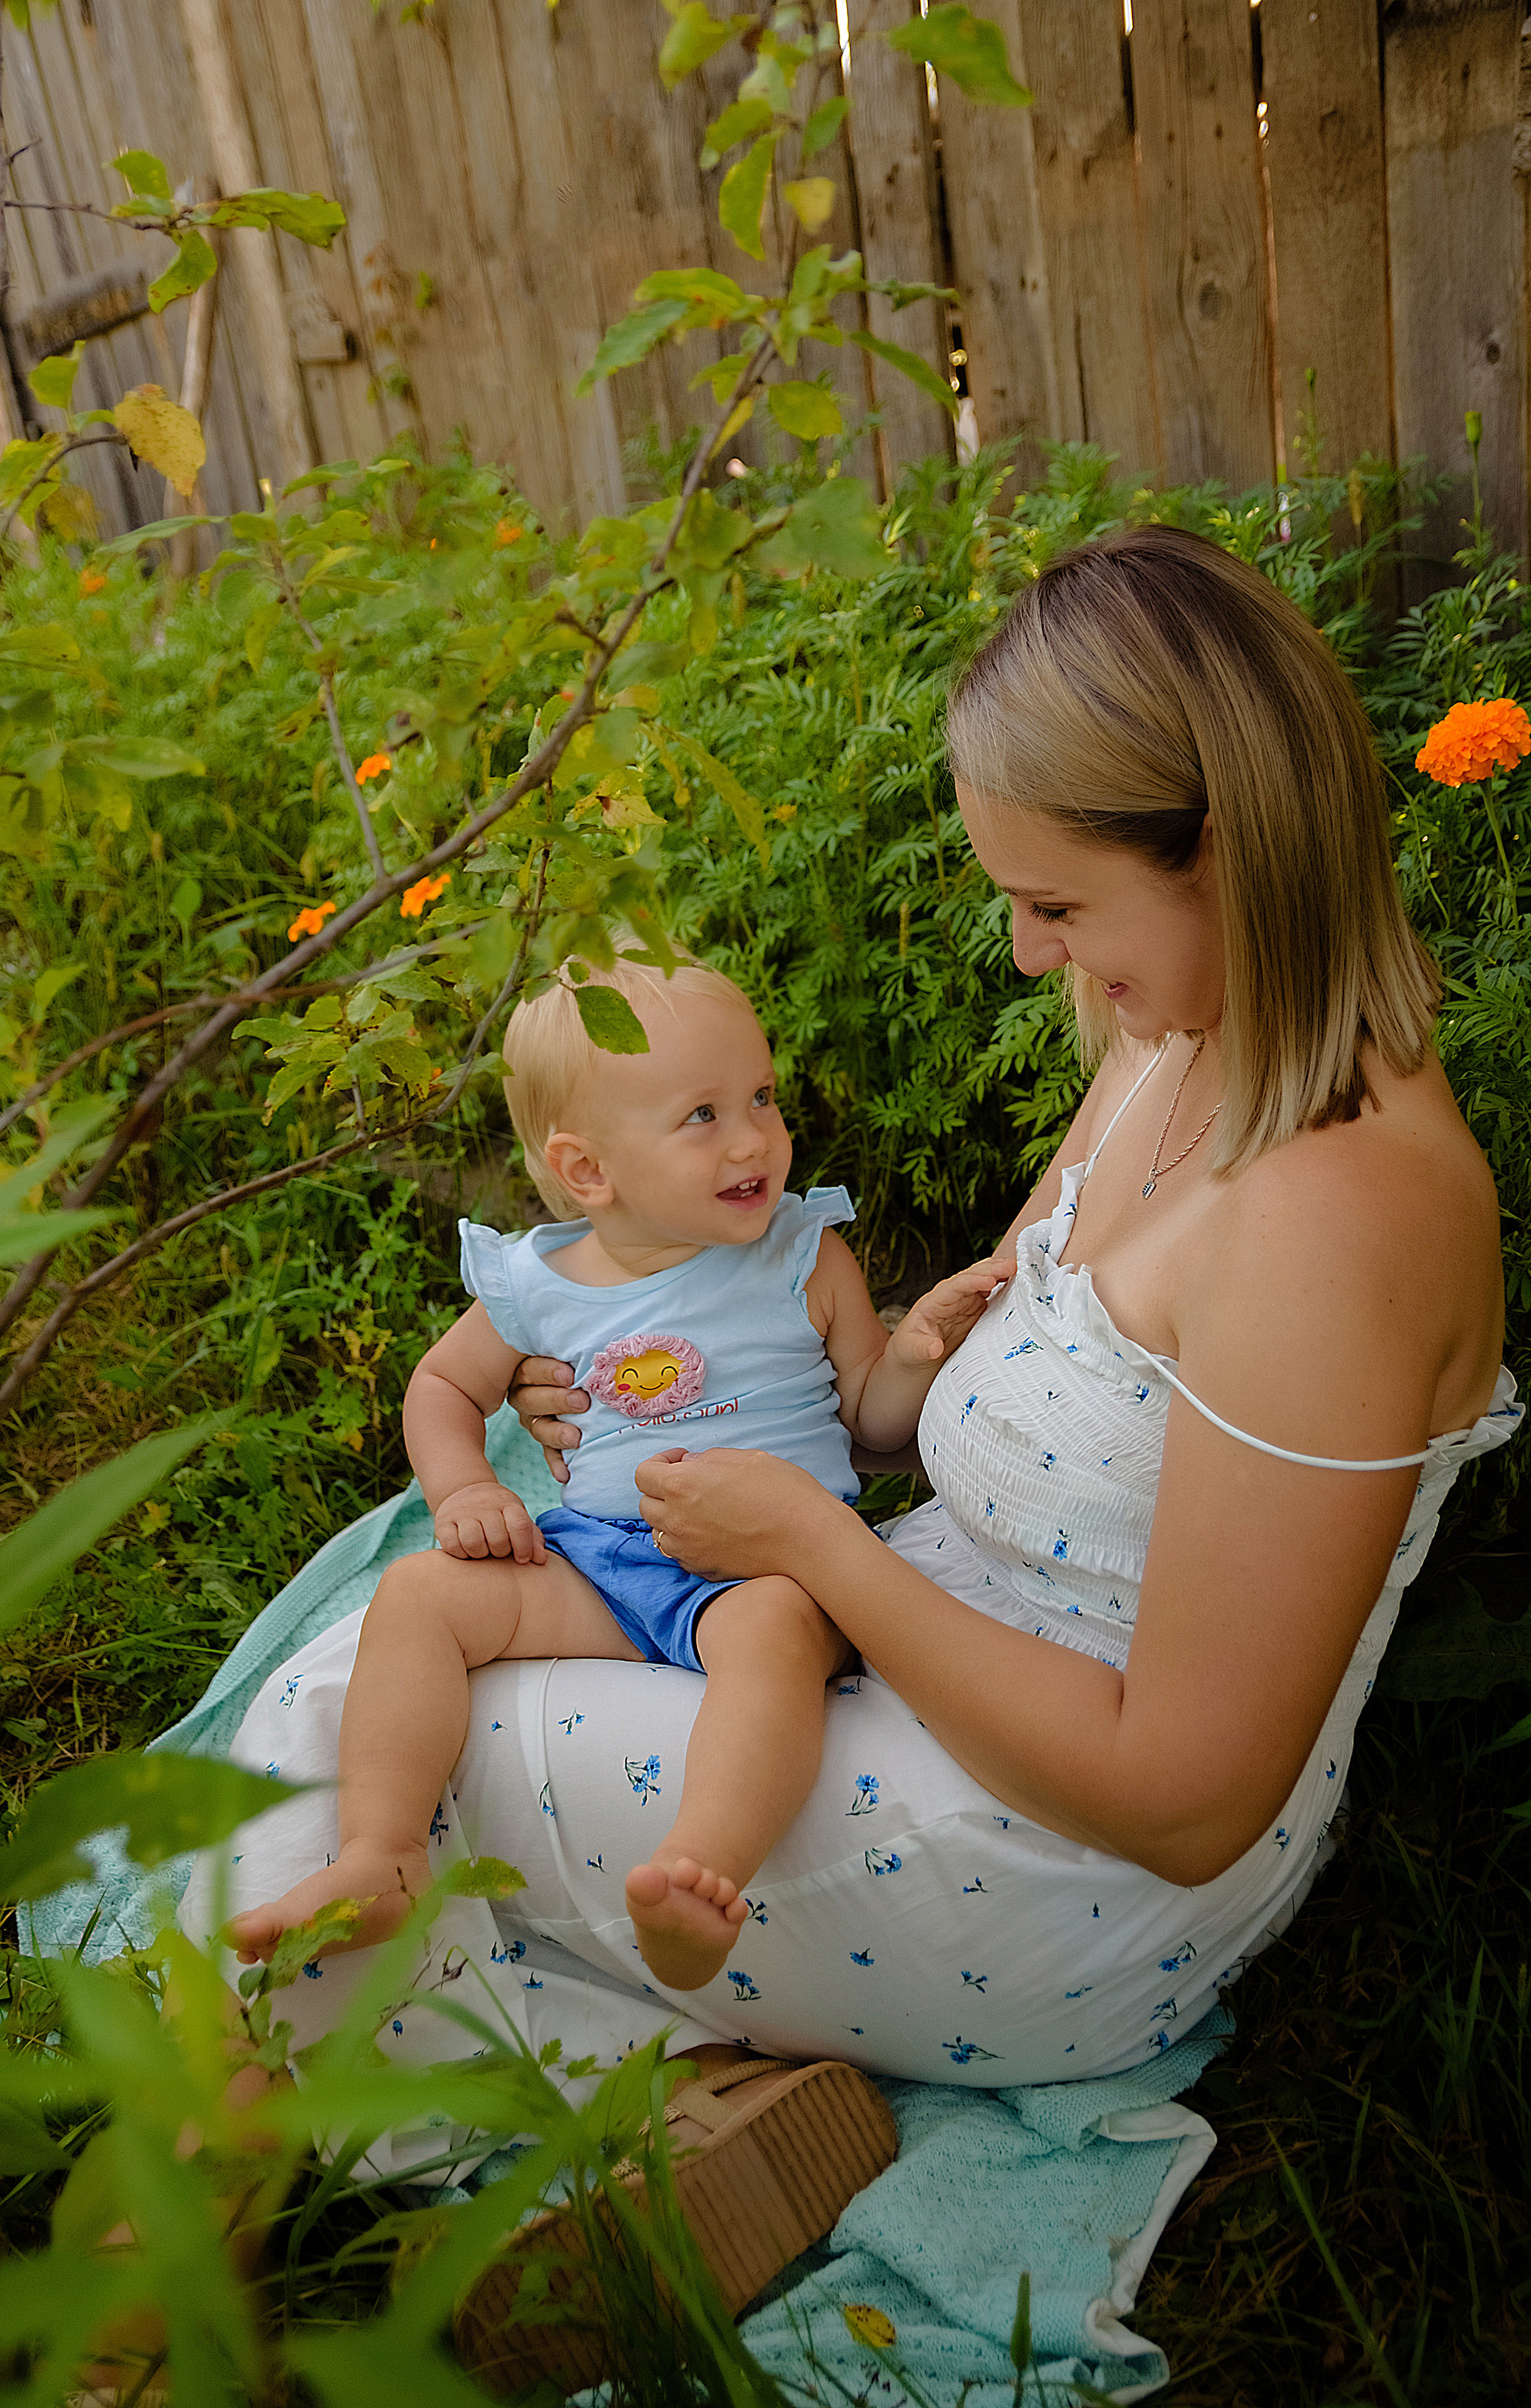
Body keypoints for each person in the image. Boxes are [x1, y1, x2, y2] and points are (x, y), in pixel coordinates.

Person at [192, 524, 1518, 2096]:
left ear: (1220, 850)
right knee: (403, 1667)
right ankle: (392, 2099)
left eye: (1057, 904)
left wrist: (816, 1552)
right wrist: (677, 1383)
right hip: (918, 1664)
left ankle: (219, 2177)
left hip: (1056, 1865)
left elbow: (1183, 1801)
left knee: (344, 1726)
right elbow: (971, 1397)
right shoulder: (1174, 1042)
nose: (1028, 955)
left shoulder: (1339, 1220)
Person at [228, 958, 1003, 1992]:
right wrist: (467, 1491)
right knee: (417, 1595)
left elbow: (869, 1417)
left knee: (775, 1638)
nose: (754, 1139)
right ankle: (383, 1853)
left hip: (773, 1565)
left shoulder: (803, 1256)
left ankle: (700, 1872)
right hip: (605, 1561)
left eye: (762, 1098)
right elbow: (443, 1388)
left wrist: (910, 1357)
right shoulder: (537, 1284)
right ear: (588, 1170)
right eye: (703, 1116)